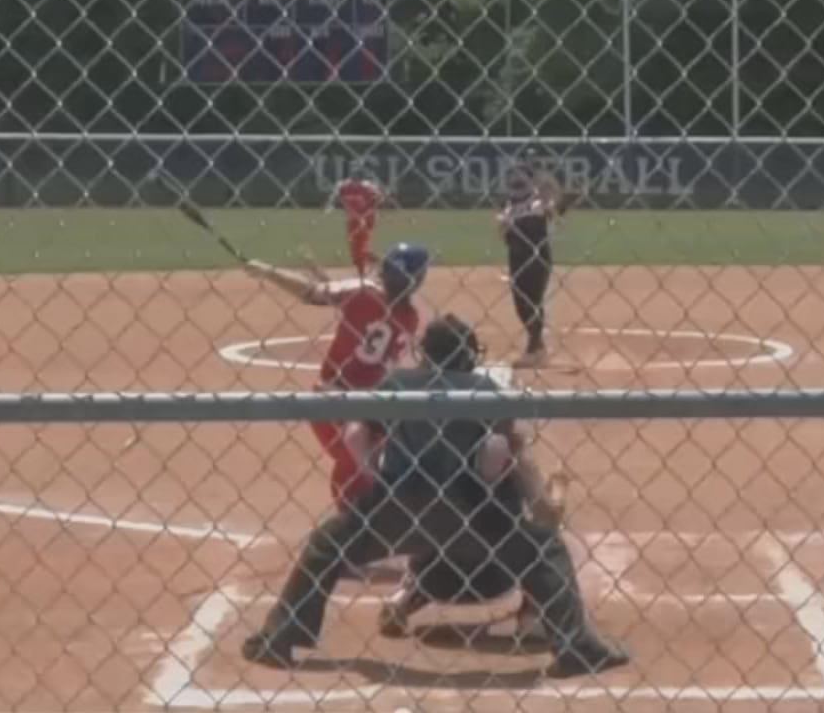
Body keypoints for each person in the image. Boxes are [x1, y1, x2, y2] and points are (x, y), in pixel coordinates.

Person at [240, 315, 628, 678]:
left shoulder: (397, 383)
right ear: (469, 354)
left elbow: (356, 432)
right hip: (470, 513)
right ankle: (573, 644)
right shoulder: (483, 389)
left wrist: (375, 479)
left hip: (398, 509)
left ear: (426, 353)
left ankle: (279, 637)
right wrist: (538, 504)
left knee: (327, 544)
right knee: (545, 549)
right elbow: (515, 450)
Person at [246, 243, 430, 509]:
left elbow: (315, 294)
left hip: (331, 397)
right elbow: (354, 300)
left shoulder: (364, 293)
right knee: (365, 464)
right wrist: (321, 273)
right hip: (370, 406)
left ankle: (354, 520)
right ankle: (359, 520)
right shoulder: (410, 317)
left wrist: (268, 271)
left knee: (354, 466)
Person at [497, 163, 566, 366]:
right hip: (516, 259)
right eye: (513, 179)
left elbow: (554, 208)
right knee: (520, 304)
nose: (516, 182)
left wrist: (550, 198)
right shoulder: (508, 208)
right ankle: (538, 347)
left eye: (521, 179)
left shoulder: (538, 204)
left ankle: (534, 349)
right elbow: (502, 235)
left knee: (532, 302)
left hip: (537, 258)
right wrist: (504, 224)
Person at [332, 177, 386, 276]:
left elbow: (378, 199)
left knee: (358, 248)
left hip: (365, 218)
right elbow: (337, 199)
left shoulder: (367, 185)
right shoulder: (343, 185)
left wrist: (366, 213)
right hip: (352, 219)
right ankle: (381, 264)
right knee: (356, 249)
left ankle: (365, 273)